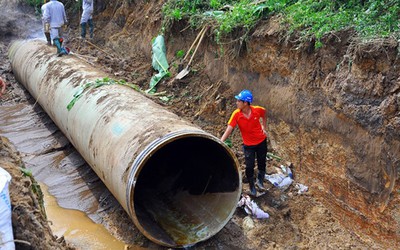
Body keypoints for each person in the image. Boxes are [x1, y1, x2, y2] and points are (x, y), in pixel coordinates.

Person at [221, 89, 268, 196]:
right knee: (249, 167)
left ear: (245, 103)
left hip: (261, 141)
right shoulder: (236, 114)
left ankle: (260, 181)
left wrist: (264, 127)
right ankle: (252, 185)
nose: (236, 102)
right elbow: (229, 129)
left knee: (262, 162)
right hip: (248, 145)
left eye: (239, 100)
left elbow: (264, 114)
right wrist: (220, 141)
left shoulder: (257, 110)